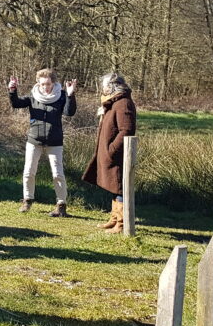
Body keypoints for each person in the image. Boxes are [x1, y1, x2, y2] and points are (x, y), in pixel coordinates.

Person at [8, 68, 77, 217]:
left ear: (54, 83)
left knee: (58, 174)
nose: (45, 87)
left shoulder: (61, 96)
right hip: (34, 140)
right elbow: (16, 104)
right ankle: (27, 200)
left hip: (55, 141)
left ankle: (61, 205)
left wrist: (71, 95)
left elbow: (69, 112)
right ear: (38, 83)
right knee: (28, 172)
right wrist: (12, 90)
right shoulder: (34, 95)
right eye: (42, 84)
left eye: (48, 84)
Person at [82, 72, 137, 234]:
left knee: (119, 186)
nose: (103, 89)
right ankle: (114, 219)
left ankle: (121, 223)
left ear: (112, 86)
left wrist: (111, 150)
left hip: (119, 154)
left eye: (105, 86)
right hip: (111, 153)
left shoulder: (123, 103)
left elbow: (126, 130)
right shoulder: (114, 102)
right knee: (114, 185)